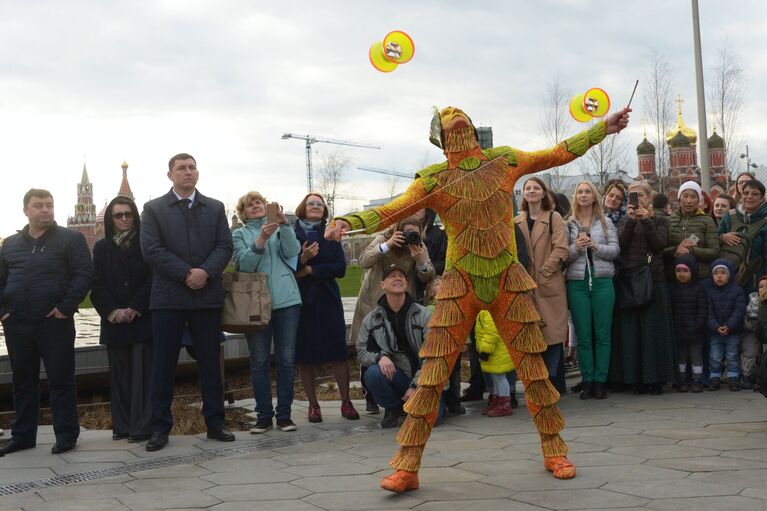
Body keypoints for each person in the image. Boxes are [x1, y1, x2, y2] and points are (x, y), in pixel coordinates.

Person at [328, 104, 631, 491]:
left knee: (534, 371)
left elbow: (558, 152)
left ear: (471, 126)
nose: (456, 115)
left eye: (461, 114)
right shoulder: (434, 178)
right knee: (433, 373)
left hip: (507, 280)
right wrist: (348, 223)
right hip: (460, 284)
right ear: (440, 138)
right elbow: (394, 209)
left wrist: (603, 128)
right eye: (448, 117)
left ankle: (555, 450)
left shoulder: (503, 160)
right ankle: (407, 465)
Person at [140, 153, 235, 451]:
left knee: (210, 363)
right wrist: (187, 274)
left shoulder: (215, 207)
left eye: (192, 167)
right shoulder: (153, 209)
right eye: (181, 168)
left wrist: (205, 272)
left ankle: (216, 424)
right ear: (170, 175)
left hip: (206, 298)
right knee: (163, 366)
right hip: (168, 299)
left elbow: (225, 246)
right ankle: (160, 429)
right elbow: (151, 250)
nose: (188, 172)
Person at [0, 189, 92, 456]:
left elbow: (84, 274)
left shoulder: (70, 239)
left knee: (61, 380)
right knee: (23, 381)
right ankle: (23, 436)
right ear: (26, 210)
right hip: (17, 323)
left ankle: (66, 435)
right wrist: (3, 311)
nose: (45, 210)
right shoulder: (10, 244)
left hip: (55, 322)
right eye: (38, 205)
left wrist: (65, 307)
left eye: (49, 205)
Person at [350, 216, 435, 414]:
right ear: (397, 230)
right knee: (371, 349)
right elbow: (364, 260)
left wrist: (420, 259)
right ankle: (370, 397)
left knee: (400, 349)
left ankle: (404, 395)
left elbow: (428, 276)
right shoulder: (384, 238)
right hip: (374, 301)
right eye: (406, 232)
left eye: (414, 232)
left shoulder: (418, 246)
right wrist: (387, 245)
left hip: (403, 303)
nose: (409, 236)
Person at [233, 191, 302, 433]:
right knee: (259, 362)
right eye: (249, 205)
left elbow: (293, 252)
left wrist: (285, 225)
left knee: (286, 360)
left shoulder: (280, 226)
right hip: (255, 303)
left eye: (259, 203)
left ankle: (284, 416)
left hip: (287, 301)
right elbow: (244, 264)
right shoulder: (239, 234)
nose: (255, 206)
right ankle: (263, 416)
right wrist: (261, 240)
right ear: (243, 212)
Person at [292, 193, 359, 423]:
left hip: (328, 299)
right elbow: (287, 263)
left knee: (338, 353)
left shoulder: (332, 232)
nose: (316, 206)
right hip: (302, 300)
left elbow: (340, 267)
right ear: (303, 207)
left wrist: (311, 270)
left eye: (320, 204)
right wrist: (303, 257)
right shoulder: (292, 232)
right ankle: (313, 406)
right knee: (305, 356)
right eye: (311, 203)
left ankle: (346, 401)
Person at [91, 196, 153, 442]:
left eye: (128, 214)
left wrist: (135, 308)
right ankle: (123, 425)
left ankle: (142, 427)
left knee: (143, 376)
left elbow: (152, 279)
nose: (124, 219)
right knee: (120, 376)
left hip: (142, 319)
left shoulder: (146, 243)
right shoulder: (102, 247)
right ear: (110, 219)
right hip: (115, 322)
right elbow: (97, 285)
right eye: (118, 215)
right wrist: (113, 311)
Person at [611, 181, 676, 395]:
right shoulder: (623, 221)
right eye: (632, 195)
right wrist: (630, 222)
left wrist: (646, 221)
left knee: (653, 332)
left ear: (649, 197)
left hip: (654, 279)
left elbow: (659, 245)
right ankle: (636, 378)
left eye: (640, 195)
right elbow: (620, 246)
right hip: (630, 280)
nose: (636, 199)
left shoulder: (660, 220)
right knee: (633, 332)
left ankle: (655, 379)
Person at [356, 264, 431, 428]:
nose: (398, 278)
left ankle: (414, 405)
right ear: (382, 284)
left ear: (406, 283)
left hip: (424, 380)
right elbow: (361, 352)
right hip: (397, 376)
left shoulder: (424, 315)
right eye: (392, 276)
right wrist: (379, 357)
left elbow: (433, 357)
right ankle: (394, 408)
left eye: (401, 276)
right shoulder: (372, 319)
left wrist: (416, 386)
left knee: (431, 419)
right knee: (373, 373)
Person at [565, 182, 619, 400]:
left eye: (588, 192)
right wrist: (577, 247)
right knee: (584, 335)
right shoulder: (568, 225)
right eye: (580, 192)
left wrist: (595, 246)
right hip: (577, 282)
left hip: (602, 281)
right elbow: (564, 255)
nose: (584, 195)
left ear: (595, 197)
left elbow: (615, 251)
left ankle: (600, 380)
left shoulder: (606, 223)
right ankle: (587, 380)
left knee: (603, 334)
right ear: (575, 197)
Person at [513, 177, 569, 389]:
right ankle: (537, 382)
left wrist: (545, 270)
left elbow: (562, 248)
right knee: (532, 335)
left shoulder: (553, 217)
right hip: (525, 286)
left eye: (536, 187)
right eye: (528, 188)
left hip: (548, 282)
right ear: (524, 194)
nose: (532, 191)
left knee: (553, 333)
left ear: (544, 193)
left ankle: (551, 380)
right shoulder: (516, 221)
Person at [663, 181, 720, 281]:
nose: (688, 201)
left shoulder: (707, 220)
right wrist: (675, 250)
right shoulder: (668, 221)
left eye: (693, 197)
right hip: (674, 276)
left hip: (701, 276)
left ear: (698, 200)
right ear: (679, 198)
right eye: (685, 196)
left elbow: (715, 252)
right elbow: (660, 252)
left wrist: (691, 251)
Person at [718, 179, 767, 295]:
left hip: (754, 280)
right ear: (741, 195)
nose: (749, 197)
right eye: (746, 193)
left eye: (755, 194)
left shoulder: (765, 222)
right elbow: (713, 239)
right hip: (727, 277)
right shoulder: (730, 216)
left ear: (762, 198)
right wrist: (722, 237)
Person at [669, 255, 708, 393]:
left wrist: (698, 325)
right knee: (681, 358)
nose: (682, 274)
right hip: (679, 332)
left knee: (696, 357)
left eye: (685, 271)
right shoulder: (672, 290)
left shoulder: (698, 289)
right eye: (678, 271)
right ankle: (681, 380)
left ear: (692, 272)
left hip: (695, 333)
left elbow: (702, 310)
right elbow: (671, 311)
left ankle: (697, 380)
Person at [707, 259, 746, 391]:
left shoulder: (737, 291)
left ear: (729, 275)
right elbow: (709, 313)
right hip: (715, 332)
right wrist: (716, 327)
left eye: (723, 273)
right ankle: (714, 378)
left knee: (732, 355)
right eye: (716, 273)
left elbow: (739, 311)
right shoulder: (710, 292)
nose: (719, 276)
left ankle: (733, 378)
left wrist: (729, 326)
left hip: (732, 331)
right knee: (715, 356)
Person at [474, 311, 515, 416]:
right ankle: (497, 401)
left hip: (496, 351)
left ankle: (504, 404)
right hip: (495, 351)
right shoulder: (485, 311)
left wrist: (485, 350)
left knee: (500, 377)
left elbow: (492, 333)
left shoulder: (488, 312)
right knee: (496, 377)